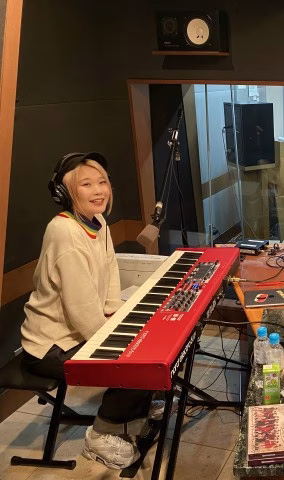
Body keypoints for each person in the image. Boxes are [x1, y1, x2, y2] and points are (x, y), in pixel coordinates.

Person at [21, 152, 155, 470]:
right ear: (65, 192)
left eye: (102, 182)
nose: (98, 191)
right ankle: (101, 435)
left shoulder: (98, 222)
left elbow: (109, 276)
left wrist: (116, 316)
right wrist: (116, 345)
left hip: (80, 331)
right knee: (136, 361)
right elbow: (80, 309)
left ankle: (133, 415)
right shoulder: (64, 232)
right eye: (87, 184)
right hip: (51, 346)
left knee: (148, 343)